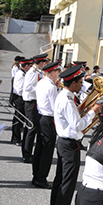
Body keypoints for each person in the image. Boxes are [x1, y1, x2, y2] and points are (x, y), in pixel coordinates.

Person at [49, 65, 102, 205]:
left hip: (66, 143)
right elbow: (78, 125)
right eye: (80, 82)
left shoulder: (66, 96)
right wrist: (93, 112)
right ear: (72, 83)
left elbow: (73, 119)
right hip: (68, 144)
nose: (82, 85)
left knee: (60, 182)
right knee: (66, 185)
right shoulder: (66, 99)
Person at [34, 61, 61, 189]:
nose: (58, 75)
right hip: (48, 119)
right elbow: (55, 107)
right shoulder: (51, 87)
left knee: (39, 148)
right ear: (51, 73)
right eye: (56, 72)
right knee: (47, 151)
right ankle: (41, 178)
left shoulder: (41, 82)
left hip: (41, 117)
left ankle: (36, 176)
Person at [22, 53, 50, 164]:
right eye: (44, 62)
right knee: (31, 128)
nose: (45, 64)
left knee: (32, 128)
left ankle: (27, 152)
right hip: (31, 102)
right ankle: (26, 154)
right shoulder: (32, 73)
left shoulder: (37, 71)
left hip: (34, 101)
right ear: (41, 63)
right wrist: (41, 87)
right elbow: (28, 88)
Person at [12, 58, 33, 150]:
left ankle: (16, 137)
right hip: (20, 98)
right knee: (18, 119)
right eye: (30, 65)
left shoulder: (23, 73)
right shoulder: (21, 74)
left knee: (20, 119)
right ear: (26, 66)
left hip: (21, 97)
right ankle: (15, 138)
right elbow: (20, 89)